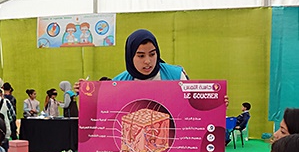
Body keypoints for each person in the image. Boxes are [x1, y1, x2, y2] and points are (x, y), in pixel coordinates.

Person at [73, 29, 228, 106]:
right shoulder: (118, 83)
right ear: (130, 56)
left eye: (152, 54)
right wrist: (86, 92)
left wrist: (216, 104)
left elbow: (193, 106)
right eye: (140, 56)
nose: (148, 61)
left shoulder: (176, 75)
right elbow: (102, 109)